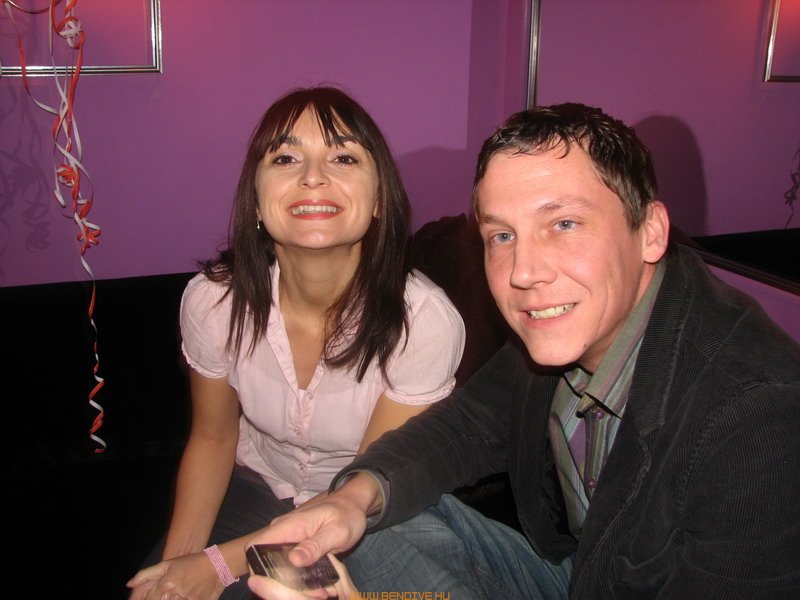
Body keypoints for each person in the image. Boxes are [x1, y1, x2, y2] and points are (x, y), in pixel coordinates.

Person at [245, 102, 800, 600]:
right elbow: (466, 426)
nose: (524, 273)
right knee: (372, 523)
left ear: (650, 231)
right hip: (577, 575)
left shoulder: (758, 419)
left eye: (564, 223)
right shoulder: (563, 326)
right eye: (502, 236)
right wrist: (351, 499)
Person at [126, 86, 465, 600]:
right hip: (254, 484)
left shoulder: (423, 322)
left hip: (366, 515)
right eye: (285, 158)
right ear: (256, 201)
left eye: (344, 158)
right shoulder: (213, 302)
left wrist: (214, 566)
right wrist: (175, 568)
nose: (313, 176)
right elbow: (213, 439)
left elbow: (362, 487)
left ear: (379, 200)